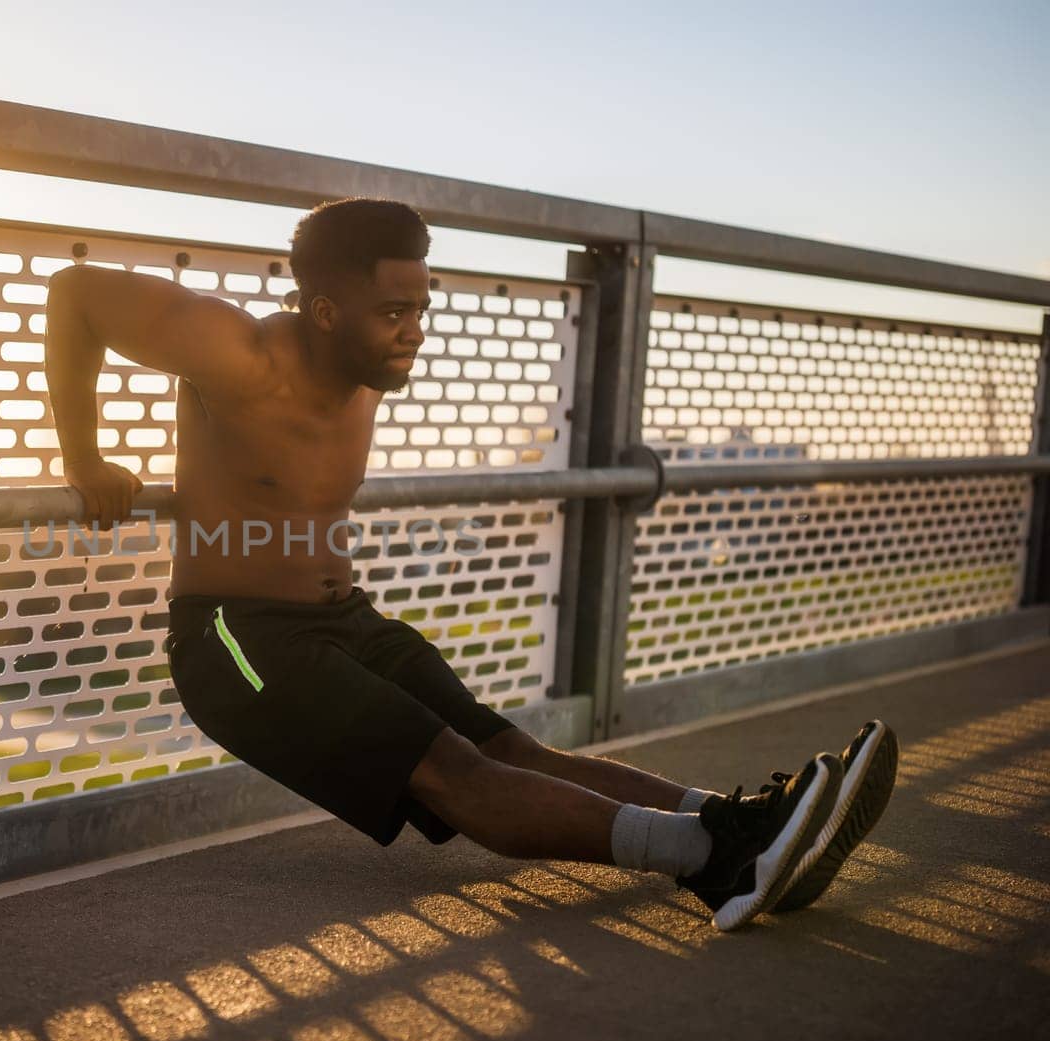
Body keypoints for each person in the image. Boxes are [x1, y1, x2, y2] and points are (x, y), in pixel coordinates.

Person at [44, 197, 899, 931]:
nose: (415, 331)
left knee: (507, 744)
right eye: (393, 312)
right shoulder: (241, 354)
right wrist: (85, 460)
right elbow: (74, 294)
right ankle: (719, 859)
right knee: (456, 773)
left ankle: (734, 818)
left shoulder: (371, 363)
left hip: (345, 621)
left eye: (422, 307)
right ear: (324, 310)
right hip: (237, 641)